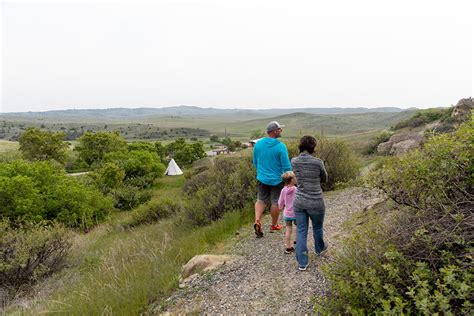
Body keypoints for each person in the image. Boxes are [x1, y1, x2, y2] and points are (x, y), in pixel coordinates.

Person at [291, 135, 328, 271]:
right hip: (316, 201)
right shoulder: (318, 162)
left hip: (299, 201)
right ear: (313, 147)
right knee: (317, 228)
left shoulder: (294, 161)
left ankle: (302, 263)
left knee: (301, 231)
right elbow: (325, 178)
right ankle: (319, 249)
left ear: (301, 146)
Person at [252, 121, 292, 238]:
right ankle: (274, 225)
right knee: (276, 202)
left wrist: (261, 172)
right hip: (277, 180)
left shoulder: (258, 144)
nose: (281, 130)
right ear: (274, 131)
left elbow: (255, 161)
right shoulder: (280, 146)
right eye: (279, 129)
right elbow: (286, 166)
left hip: (262, 178)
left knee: (261, 200)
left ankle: (257, 220)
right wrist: (289, 180)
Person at [278, 171, 297, 253]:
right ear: (291, 180)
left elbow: (280, 201)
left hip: (287, 213)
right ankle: (297, 241)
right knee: (298, 227)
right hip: (296, 213)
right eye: (294, 177)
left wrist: (280, 207)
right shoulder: (296, 189)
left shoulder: (283, 190)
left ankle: (288, 247)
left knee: (288, 229)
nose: (296, 178)